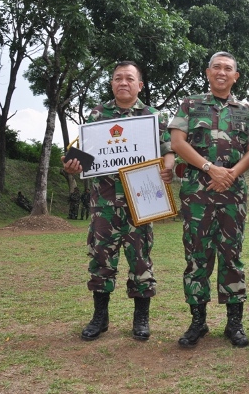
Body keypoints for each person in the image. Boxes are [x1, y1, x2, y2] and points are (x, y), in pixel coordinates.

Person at [62, 60, 175, 342]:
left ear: (140, 85)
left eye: (128, 78)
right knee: (101, 258)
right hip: (104, 202)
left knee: (140, 261)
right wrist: (72, 165)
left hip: (142, 201)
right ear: (111, 83)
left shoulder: (153, 117)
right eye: (117, 78)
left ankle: (141, 318)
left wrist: (169, 167)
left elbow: (169, 149)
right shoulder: (97, 114)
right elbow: (82, 155)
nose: (122, 82)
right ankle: (100, 317)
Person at [169, 51, 249, 349]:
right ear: (208, 73)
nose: (222, 72)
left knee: (232, 256)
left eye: (228, 69)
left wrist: (231, 173)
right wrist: (210, 168)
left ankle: (234, 323)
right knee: (197, 257)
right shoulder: (190, 105)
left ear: (236, 76)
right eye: (217, 68)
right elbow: (177, 142)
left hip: (232, 195)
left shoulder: (245, 111)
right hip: (197, 195)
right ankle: (198, 321)